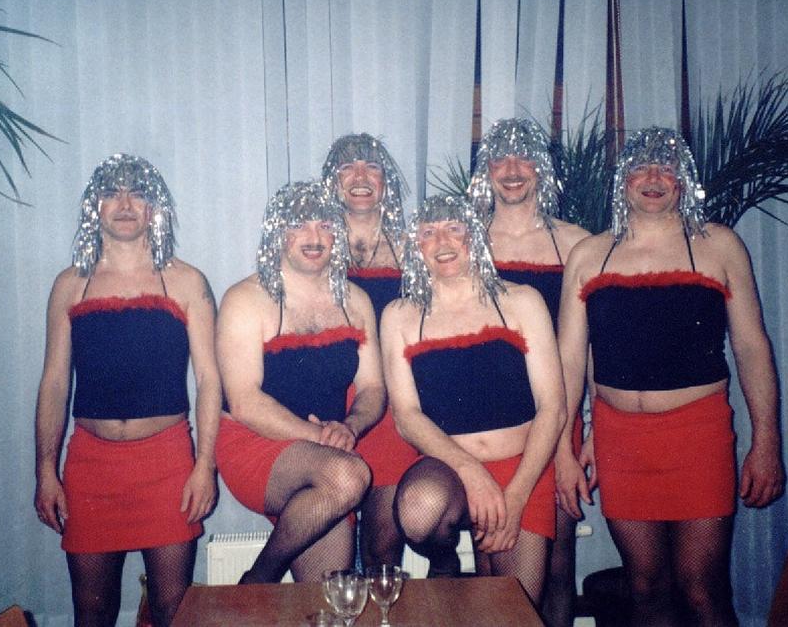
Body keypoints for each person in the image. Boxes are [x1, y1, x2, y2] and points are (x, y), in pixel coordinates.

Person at [556, 128, 784, 625]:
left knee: (702, 589)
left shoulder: (720, 245)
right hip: (619, 440)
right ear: (624, 180)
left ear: (684, 179)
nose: (654, 178)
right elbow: (570, 362)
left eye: (667, 168)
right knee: (645, 588)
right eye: (642, 167)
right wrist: (564, 448)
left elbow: (751, 348)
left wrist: (766, 441)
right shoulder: (589, 255)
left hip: (697, 436)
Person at [34, 154, 221, 627]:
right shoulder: (70, 285)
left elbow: (208, 380)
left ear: (153, 208)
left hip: (167, 463)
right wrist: (45, 470)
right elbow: (54, 382)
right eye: (111, 192)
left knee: (171, 611)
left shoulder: (186, 281)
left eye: (136, 193)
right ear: (93, 206)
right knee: (92, 613)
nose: (123, 203)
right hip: (90, 466)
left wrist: (205, 465)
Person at [381, 195, 565, 602]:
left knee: (514, 607)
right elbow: (406, 416)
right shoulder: (399, 314)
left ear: (475, 237)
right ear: (415, 247)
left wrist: (516, 496)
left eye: (454, 228)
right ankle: (445, 563)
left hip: (523, 468)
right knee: (418, 511)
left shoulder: (522, 300)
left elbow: (553, 408)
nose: (442, 241)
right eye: (428, 233)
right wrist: (470, 470)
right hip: (448, 469)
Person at [214, 180, 383, 582]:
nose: (313, 237)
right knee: (351, 476)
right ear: (277, 233)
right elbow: (244, 401)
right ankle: (259, 579)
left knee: (329, 592)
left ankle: (259, 589)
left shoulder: (356, 300)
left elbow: (373, 388)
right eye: (298, 225)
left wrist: (350, 426)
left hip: (325, 456)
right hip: (254, 442)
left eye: (324, 225)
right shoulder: (244, 299)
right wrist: (319, 436)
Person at [469, 118, 590, 625]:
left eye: (525, 158)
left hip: (554, 419)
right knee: (492, 561)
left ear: (543, 169)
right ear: (486, 171)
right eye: (501, 158)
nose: (513, 169)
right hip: (486, 422)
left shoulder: (577, 243)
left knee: (557, 562)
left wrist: (576, 439)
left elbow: (585, 349)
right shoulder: (466, 242)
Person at [321, 133, 417, 569]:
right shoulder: (313, 244)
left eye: (371, 167)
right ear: (332, 180)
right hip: (328, 405)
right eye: (347, 167)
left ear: (385, 181)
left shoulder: (412, 249)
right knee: (330, 552)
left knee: (382, 544)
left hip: (392, 406)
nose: (360, 177)